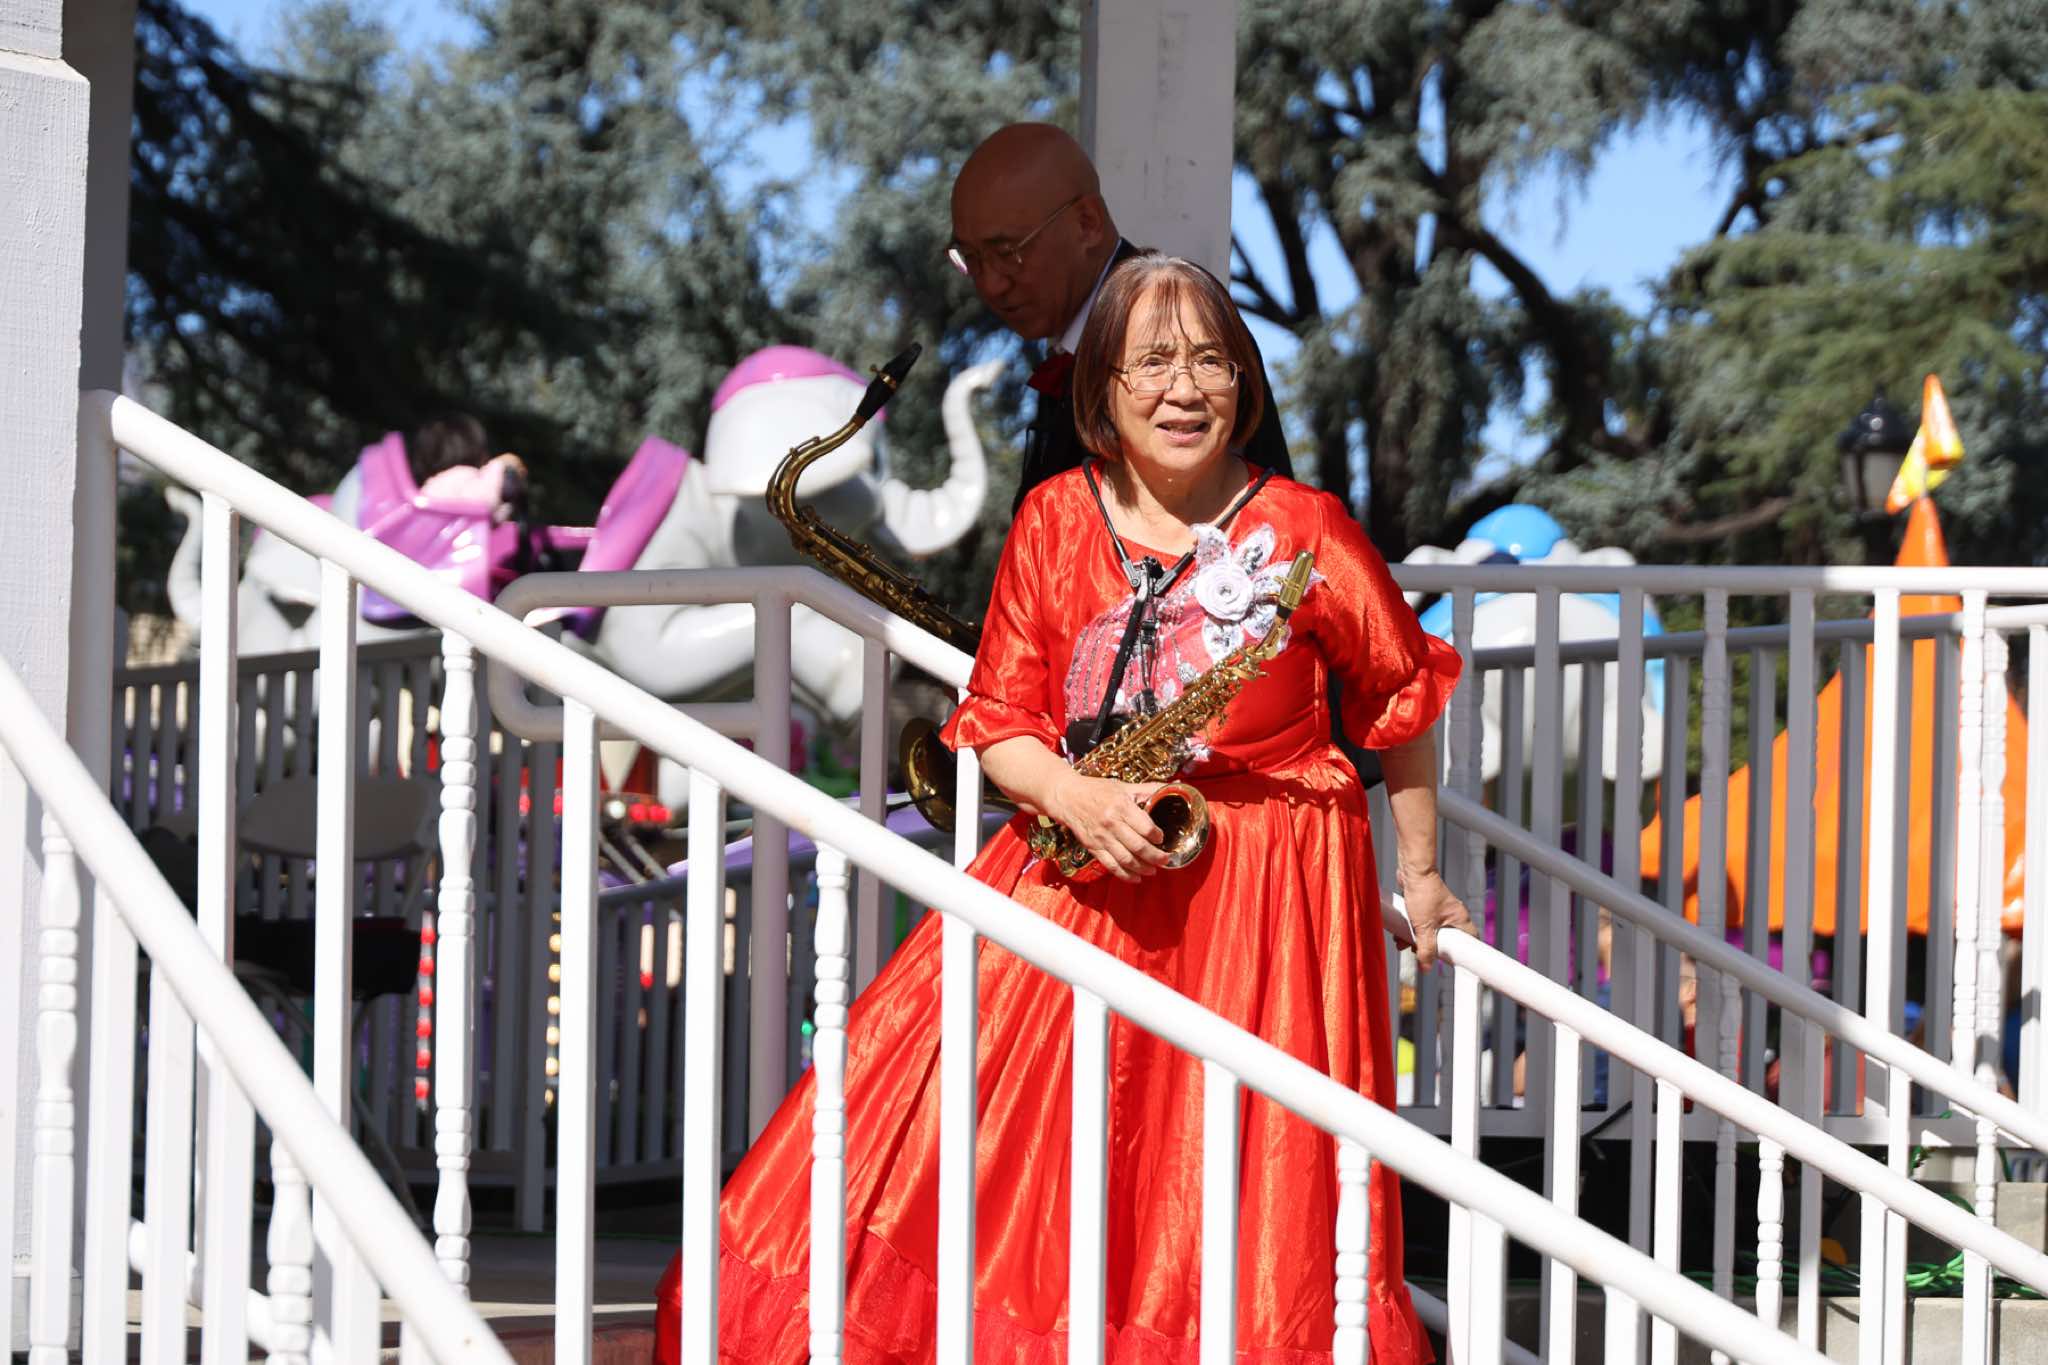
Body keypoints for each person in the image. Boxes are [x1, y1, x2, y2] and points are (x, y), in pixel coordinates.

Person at [652, 252, 1470, 1364]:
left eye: (1211, 362)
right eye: (1153, 363)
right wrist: (1078, 795)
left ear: (1244, 383)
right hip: (1082, 869)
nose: (1184, 389)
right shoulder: (1051, 518)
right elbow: (997, 720)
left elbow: (1400, 695)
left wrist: (1419, 875)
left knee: (1232, 1192)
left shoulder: (1308, 527)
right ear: (1103, 388)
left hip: (1265, 909)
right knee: (983, 1156)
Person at [947, 122, 1293, 510]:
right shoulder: (1069, 339)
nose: (991, 284)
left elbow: (1246, 520)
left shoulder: (1180, 323)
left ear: (1087, 223)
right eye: (970, 258)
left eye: (1008, 253)